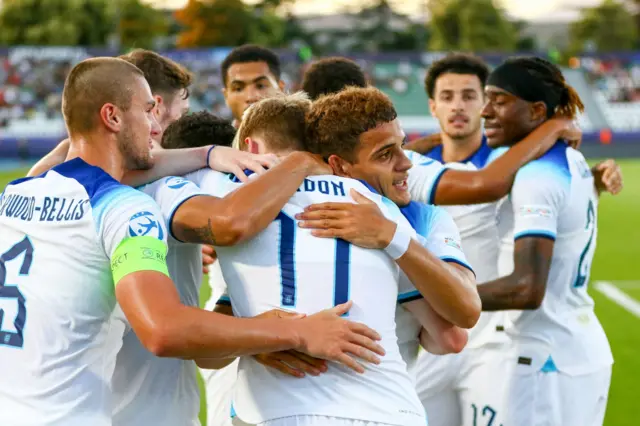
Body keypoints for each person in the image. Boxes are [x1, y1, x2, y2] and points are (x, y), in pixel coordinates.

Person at [0, 57, 384, 426]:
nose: (156, 124)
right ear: (112, 116)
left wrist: (207, 153)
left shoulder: (18, 194)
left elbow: (74, 165)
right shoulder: (126, 209)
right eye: (148, 110)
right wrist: (297, 331)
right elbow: (164, 329)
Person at [168, 91, 479, 426]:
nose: (405, 162)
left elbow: (205, 353)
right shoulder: (381, 209)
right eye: (387, 153)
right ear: (335, 160)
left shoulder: (226, 191)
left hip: (275, 412)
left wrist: (259, 336)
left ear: (249, 148)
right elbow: (452, 334)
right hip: (388, 409)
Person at [476, 56, 613, 426]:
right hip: (576, 348)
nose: (485, 111)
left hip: (547, 359)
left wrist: (433, 296)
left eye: (499, 100)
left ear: (537, 111)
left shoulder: (537, 177)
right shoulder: (571, 160)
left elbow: (526, 288)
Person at [27, 49, 194, 176]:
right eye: (183, 113)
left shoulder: (65, 155)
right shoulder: (156, 160)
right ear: (156, 106)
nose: (183, 122)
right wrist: (207, 155)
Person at [221, 44, 285, 128]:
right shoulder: (216, 140)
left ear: (280, 89)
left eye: (260, 86)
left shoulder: (302, 138)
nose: (250, 97)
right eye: (238, 89)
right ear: (226, 96)